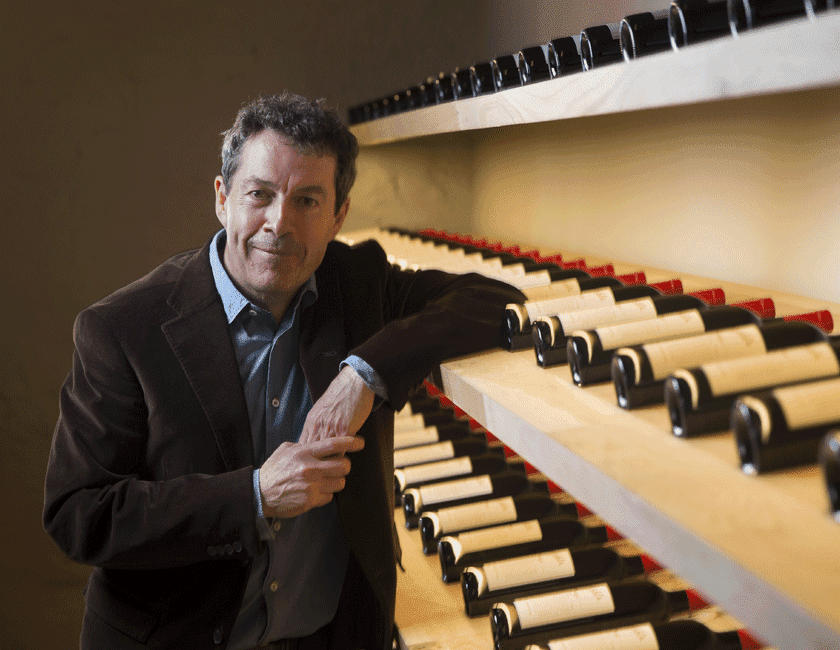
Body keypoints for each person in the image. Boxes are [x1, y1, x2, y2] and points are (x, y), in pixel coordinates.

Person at [43, 92, 525, 650]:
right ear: (223, 198)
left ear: (339, 217)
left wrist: (363, 374)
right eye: (260, 194)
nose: (279, 222)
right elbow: (80, 514)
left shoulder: (358, 283)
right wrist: (254, 496)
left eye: (307, 201)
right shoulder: (122, 329)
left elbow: (492, 298)